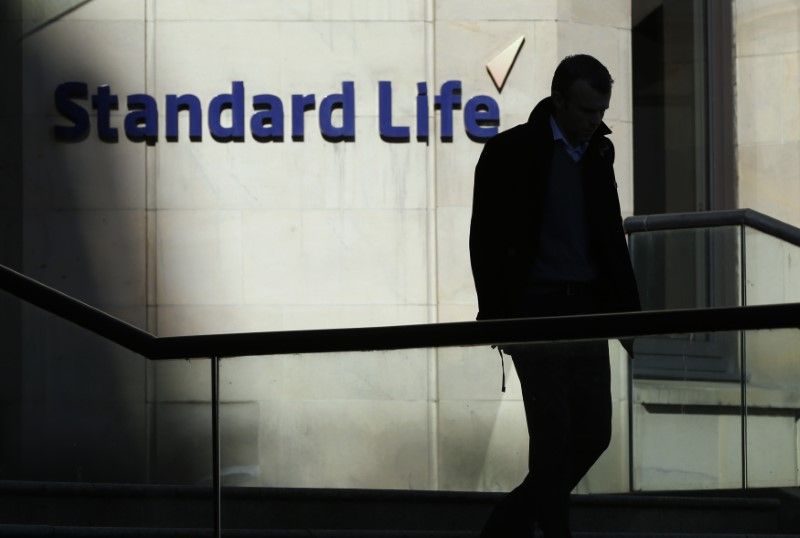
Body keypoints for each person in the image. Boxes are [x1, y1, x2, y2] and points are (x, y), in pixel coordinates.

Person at [469, 54, 641, 537]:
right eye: (587, 111)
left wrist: (629, 317)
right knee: (553, 437)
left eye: (601, 111)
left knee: (594, 432)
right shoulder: (510, 151)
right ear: (558, 101)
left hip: (586, 310)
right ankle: (546, 531)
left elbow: (610, 240)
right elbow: (485, 240)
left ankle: (506, 526)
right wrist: (498, 316)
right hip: (536, 311)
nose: (595, 121)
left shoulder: (597, 154)